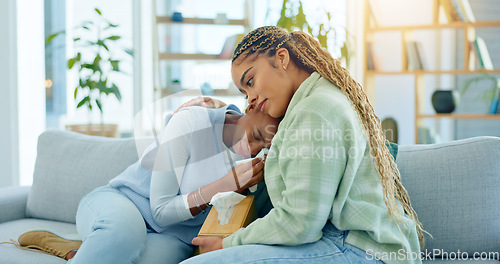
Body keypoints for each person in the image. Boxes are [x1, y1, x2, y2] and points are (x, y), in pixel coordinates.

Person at [181, 26, 425, 264]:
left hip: (361, 248)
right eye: (245, 93)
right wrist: (218, 112)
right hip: (353, 242)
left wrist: (228, 243)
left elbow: (299, 223)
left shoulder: (314, 111)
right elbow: (257, 124)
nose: (251, 99)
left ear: (282, 58)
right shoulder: (312, 101)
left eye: (251, 81)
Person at [12, 104, 280, 264]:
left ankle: (82, 250)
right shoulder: (192, 121)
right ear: (252, 105)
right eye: (256, 135)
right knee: (123, 234)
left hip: (173, 235)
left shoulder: (255, 168)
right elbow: (160, 210)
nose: (253, 149)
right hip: (123, 203)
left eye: (264, 146)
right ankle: (102, 241)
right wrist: (223, 185)